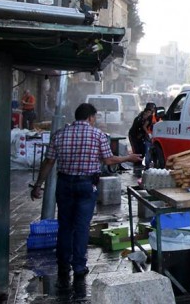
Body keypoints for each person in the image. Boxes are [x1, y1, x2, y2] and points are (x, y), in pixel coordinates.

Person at [30, 103, 142, 289]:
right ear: (90, 117)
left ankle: (63, 265)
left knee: (65, 225)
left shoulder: (60, 134)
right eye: (95, 117)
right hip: (86, 186)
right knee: (81, 227)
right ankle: (79, 267)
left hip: (64, 184)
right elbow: (108, 160)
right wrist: (128, 158)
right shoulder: (97, 135)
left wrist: (38, 185)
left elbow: (49, 161)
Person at [128, 102, 156, 173]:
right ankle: (136, 165)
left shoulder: (148, 118)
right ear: (146, 112)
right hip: (133, 136)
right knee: (136, 149)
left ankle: (139, 164)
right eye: (149, 112)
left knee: (142, 150)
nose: (150, 114)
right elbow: (138, 130)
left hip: (140, 137)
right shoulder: (140, 119)